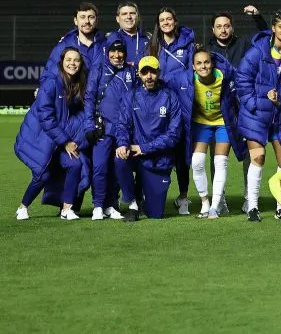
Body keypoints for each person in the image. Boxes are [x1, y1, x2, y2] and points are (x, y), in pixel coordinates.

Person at [236, 11, 281, 222]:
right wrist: (252, 103)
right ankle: (253, 206)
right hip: (255, 115)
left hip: (280, 115)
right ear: (273, 29)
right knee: (258, 158)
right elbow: (242, 78)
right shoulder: (257, 52)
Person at [15, 48, 93, 221]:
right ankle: (23, 207)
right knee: (43, 175)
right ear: (61, 62)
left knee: (75, 165)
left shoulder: (79, 84)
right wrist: (66, 141)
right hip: (43, 138)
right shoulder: (51, 83)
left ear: (81, 64)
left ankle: (67, 209)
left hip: (59, 138)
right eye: (69, 60)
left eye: (76, 60)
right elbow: (46, 117)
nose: (72, 63)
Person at [112, 56, 185, 221]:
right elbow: (123, 125)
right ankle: (132, 203)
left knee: (155, 214)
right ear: (139, 74)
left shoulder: (170, 97)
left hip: (158, 159)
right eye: (145, 72)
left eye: (152, 71)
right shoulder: (130, 96)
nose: (149, 76)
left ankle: (142, 194)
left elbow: (173, 135)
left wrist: (144, 148)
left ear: (159, 73)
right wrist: (123, 144)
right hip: (135, 154)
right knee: (119, 158)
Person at [147, 7, 197, 215]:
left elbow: (192, 71)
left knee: (181, 152)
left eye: (169, 19)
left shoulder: (188, 45)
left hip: (182, 103)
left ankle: (183, 197)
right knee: (156, 148)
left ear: (175, 22)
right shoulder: (152, 46)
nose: (166, 22)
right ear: (158, 24)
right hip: (157, 102)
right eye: (162, 20)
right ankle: (151, 194)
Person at [189, 47, 238, 219]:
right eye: (199, 63)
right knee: (197, 162)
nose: (203, 66)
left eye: (206, 62)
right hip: (201, 123)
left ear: (212, 63)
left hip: (222, 123)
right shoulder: (189, 80)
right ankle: (204, 203)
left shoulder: (224, 77)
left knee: (220, 161)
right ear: (193, 66)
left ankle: (215, 206)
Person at [85, 40, 132, 220]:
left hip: (122, 129)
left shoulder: (130, 72)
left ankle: (111, 204)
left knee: (115, 168)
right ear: (107, 52)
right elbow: (89, 97)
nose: (117, 55)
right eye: (113, 51)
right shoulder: (99, 69)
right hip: (102, 128)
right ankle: (98, 205)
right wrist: (90, 124)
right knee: (100, 167)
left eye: (120, 52)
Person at [42, 2, 108, 84]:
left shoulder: (107, 44)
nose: (87, 21)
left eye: (91, 17)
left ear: (97, 20)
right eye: (82, 17)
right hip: (73, 96)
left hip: (100, 96)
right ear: (76, 21)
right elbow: (49, 77)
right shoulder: (63, 46)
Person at [108, 1, 150, 67]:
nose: (129, 17)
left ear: (138, 17)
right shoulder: (110, 39)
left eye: (132, 13)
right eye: (124, 14)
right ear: (117, 19)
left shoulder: (149, 38)